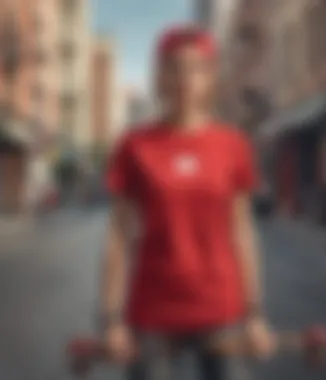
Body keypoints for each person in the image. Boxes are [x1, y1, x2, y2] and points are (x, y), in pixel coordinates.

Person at [100, 24, 275, 380]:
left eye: (197, 68)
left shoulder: (233, 145)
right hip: (151, 309)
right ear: (160, 75)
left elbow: (242, 232)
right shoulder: (135, 145)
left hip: (221, 306)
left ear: (211, 77)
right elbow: (119, 236)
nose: (185, 78)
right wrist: (112, 318)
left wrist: (255, 314)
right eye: (174, 67)